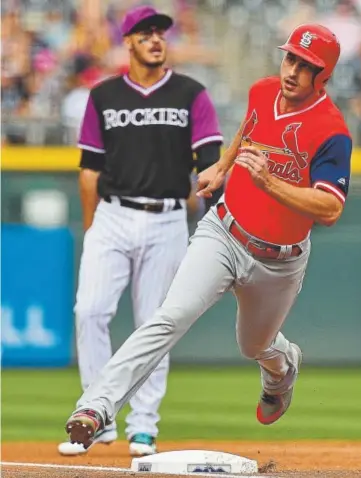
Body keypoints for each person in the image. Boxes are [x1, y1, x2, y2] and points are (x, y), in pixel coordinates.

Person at [64, 23, 352, 448]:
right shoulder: (262, 91)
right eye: (290, 57)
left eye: (306, 65)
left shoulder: (332, 131)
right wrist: (223, 165)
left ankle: (281, 364)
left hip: (278, 261)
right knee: (170, 316)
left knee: (252, 345)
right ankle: (96, 405)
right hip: (224, 231)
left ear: (323, 75)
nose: (292, 70)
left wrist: (270, 183)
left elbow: (331, 208)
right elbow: (249, 129)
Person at [58, 5, 223, 457]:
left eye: (160, 33)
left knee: (156, 323)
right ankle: (96, 413)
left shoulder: (191, 93)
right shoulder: (104, 95)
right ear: (127, 41)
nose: (155, 39)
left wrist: (211, 205)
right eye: (145, 33)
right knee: (89, 310)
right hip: (112, 214)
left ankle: (144, 426)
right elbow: (89, 170)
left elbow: (211, 162)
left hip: (168, 216)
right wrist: (92, 228)